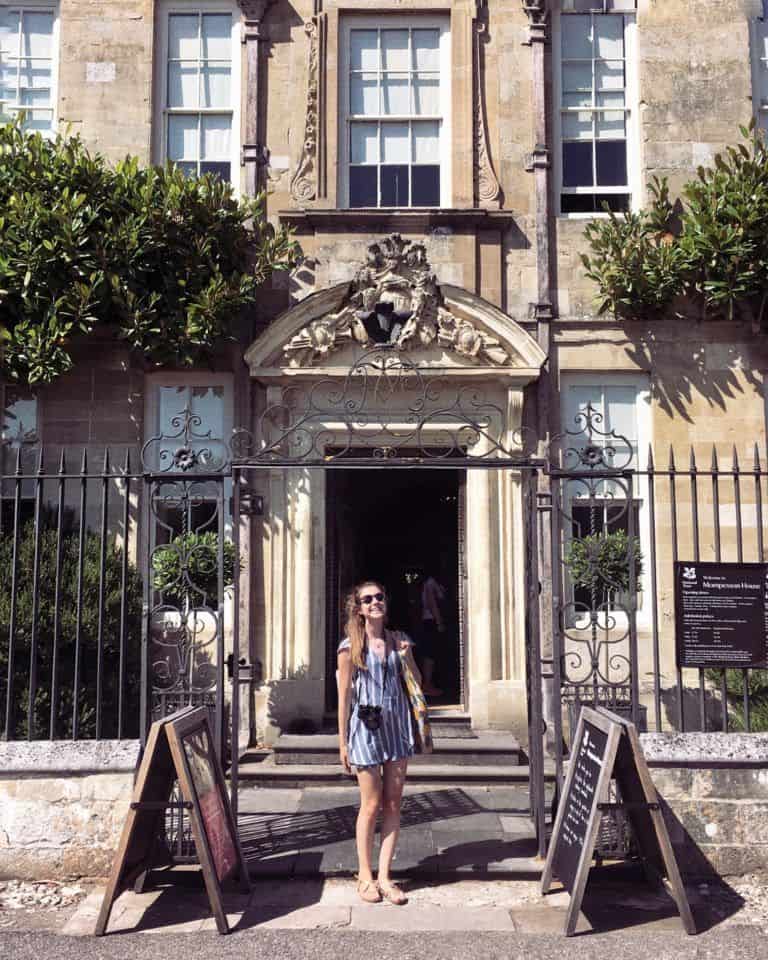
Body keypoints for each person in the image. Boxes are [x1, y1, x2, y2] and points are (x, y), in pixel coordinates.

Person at [337, 580, 422, 905]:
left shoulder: (398, 640)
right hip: (365, 731)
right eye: (367, 599)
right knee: (370, 805)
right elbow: (343, 697)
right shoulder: (349, 648)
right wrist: (342, 743)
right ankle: (365, 876)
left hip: (397, 730)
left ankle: (385, 877)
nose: (375, 602)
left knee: (393, 804)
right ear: (358, 608)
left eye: (379, 597)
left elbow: (418, 684)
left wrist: (406, 658)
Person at [419, 568, 447, 697]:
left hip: (432, 621)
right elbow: (432, 603)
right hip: (431, 621)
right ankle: (427, 685)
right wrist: (439, 622)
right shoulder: (430, 582)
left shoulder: (434, 582)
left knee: (434, 654)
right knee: (430, 653)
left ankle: (430, 684)